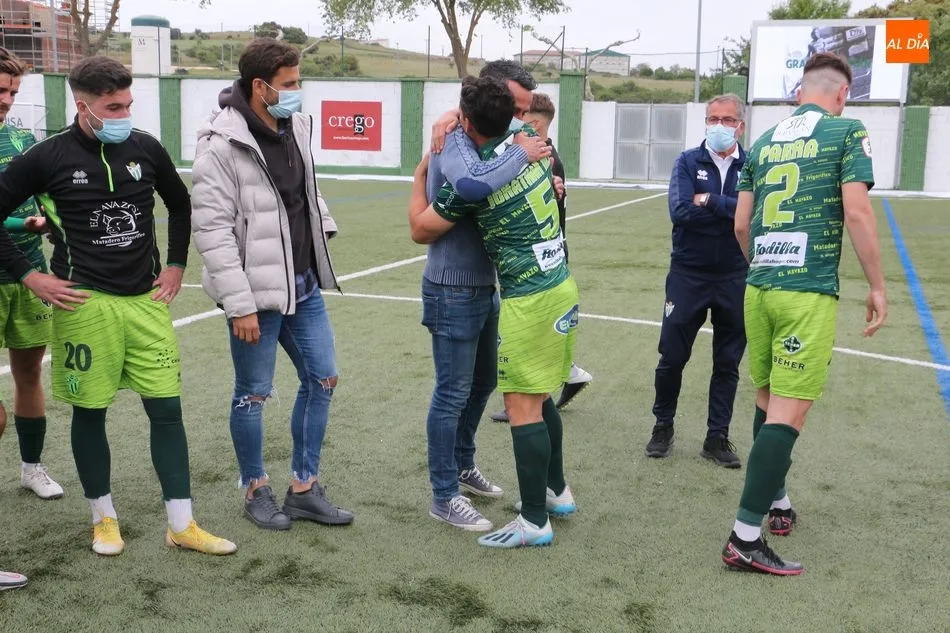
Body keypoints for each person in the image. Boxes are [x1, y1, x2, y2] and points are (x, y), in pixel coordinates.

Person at [0, 55, 236, 557]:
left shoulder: (146, 148)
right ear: (82, 105)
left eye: (128, 104)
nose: (124, 114)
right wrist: (29, 274)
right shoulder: (47, 157)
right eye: (113, 107)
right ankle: (103, 520)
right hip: (84, 305)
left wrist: (176, 265)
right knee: (90, 413)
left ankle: (182, 524)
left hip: (147, 302)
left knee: (167, 411)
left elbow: (180, 204)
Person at [721, 52, 886, 575]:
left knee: (768, 399)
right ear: (843, 94)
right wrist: (877, 286)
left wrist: (763, 265)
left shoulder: (765, 141)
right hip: (806, 292)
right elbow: (857, 211)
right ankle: (745, 538)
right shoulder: (846, 132)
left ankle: (778, 502)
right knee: (789, 412)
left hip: (759, 288)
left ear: (798, 93)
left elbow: (741, 225)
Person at [191, 38, 353, 531]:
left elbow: (305, 191)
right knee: (253, 393)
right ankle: (255, 488)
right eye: (290, 83)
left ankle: (304, 488)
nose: (297, 91)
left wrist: (322, 227)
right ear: (260, 86)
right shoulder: (220, 143)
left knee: (323, 378)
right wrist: (238, 304)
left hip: (303, 285)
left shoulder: (296, 125)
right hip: (254, 295)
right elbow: (213, 230)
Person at [410, 75, 578, 549]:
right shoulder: (524, 146)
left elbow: (425, 224)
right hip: (537, 284)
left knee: (517, 399)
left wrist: (420, 176)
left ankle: (530, 513)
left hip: (521, 293)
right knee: (520, 395)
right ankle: (538, 492)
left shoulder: (487, 167)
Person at [644, 93, 749, 468]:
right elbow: (681, 212)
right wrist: (732, 211)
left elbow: (757, 214)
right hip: (688, 274)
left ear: (740, 126)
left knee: (727, 362)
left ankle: (716, 437)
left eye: (727, 120)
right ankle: (663, 426)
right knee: (672, 357)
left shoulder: (752, 165)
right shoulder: (687, 161)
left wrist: (711, 201)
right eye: (713, 119)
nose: (719, 126)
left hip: (735, 275)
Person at [490, 91, 594, 423]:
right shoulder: (546, 156)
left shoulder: (544, 159)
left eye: (519, 116)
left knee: (532, 336)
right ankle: (557, 382)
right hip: (550, 254)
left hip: (543, 258)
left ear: (534, 124)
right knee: (542, 334)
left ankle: (533, 396)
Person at [0, 48, 63, 499]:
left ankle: (32, 468)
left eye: (12, 91)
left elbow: (47, 199)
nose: (6, 99)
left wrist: (53, 222)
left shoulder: (23, 141)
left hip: (29, 277)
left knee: (29, 375)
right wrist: (23, 224)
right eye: (0, 90)